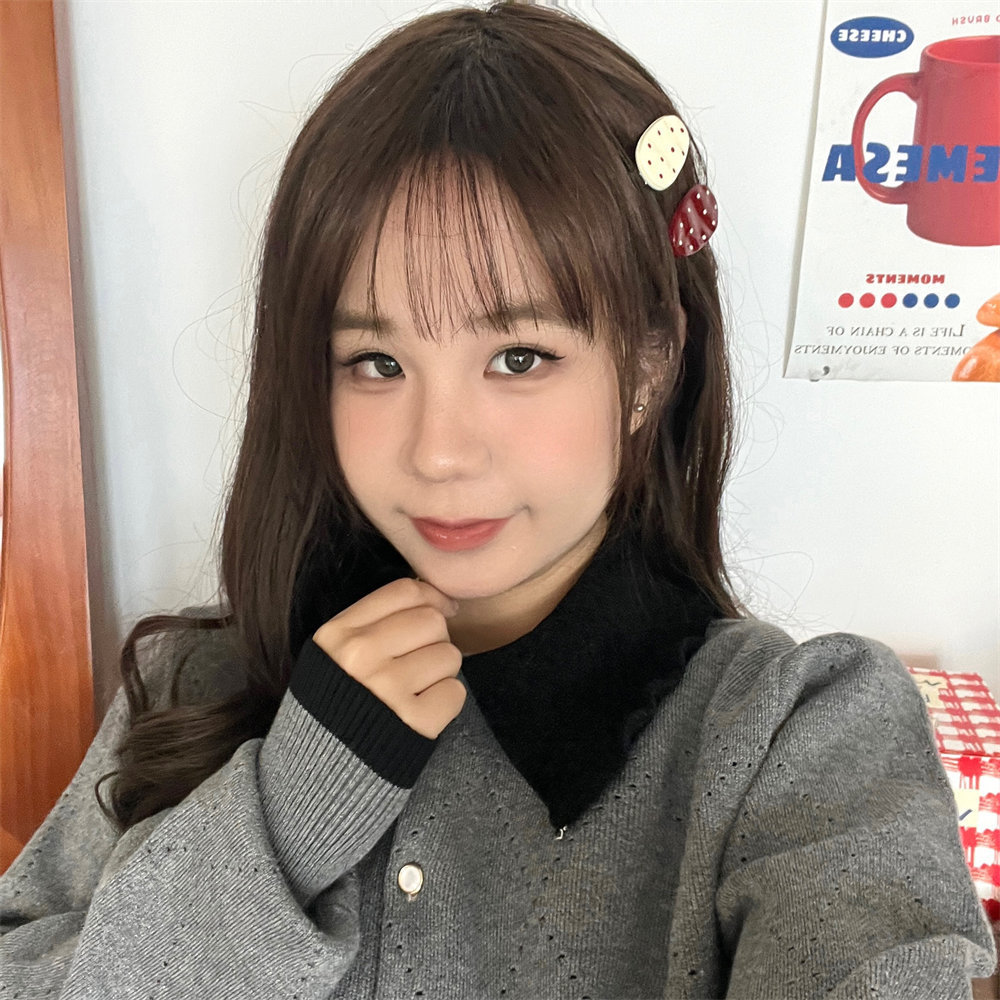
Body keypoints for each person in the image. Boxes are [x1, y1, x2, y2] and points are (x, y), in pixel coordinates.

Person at [1, 3, 994, 997]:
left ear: (650, 365)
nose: (438, 451)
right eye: (375, 360)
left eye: (519, 357)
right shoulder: (192, 684)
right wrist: (276, 830)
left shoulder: (796, 738)